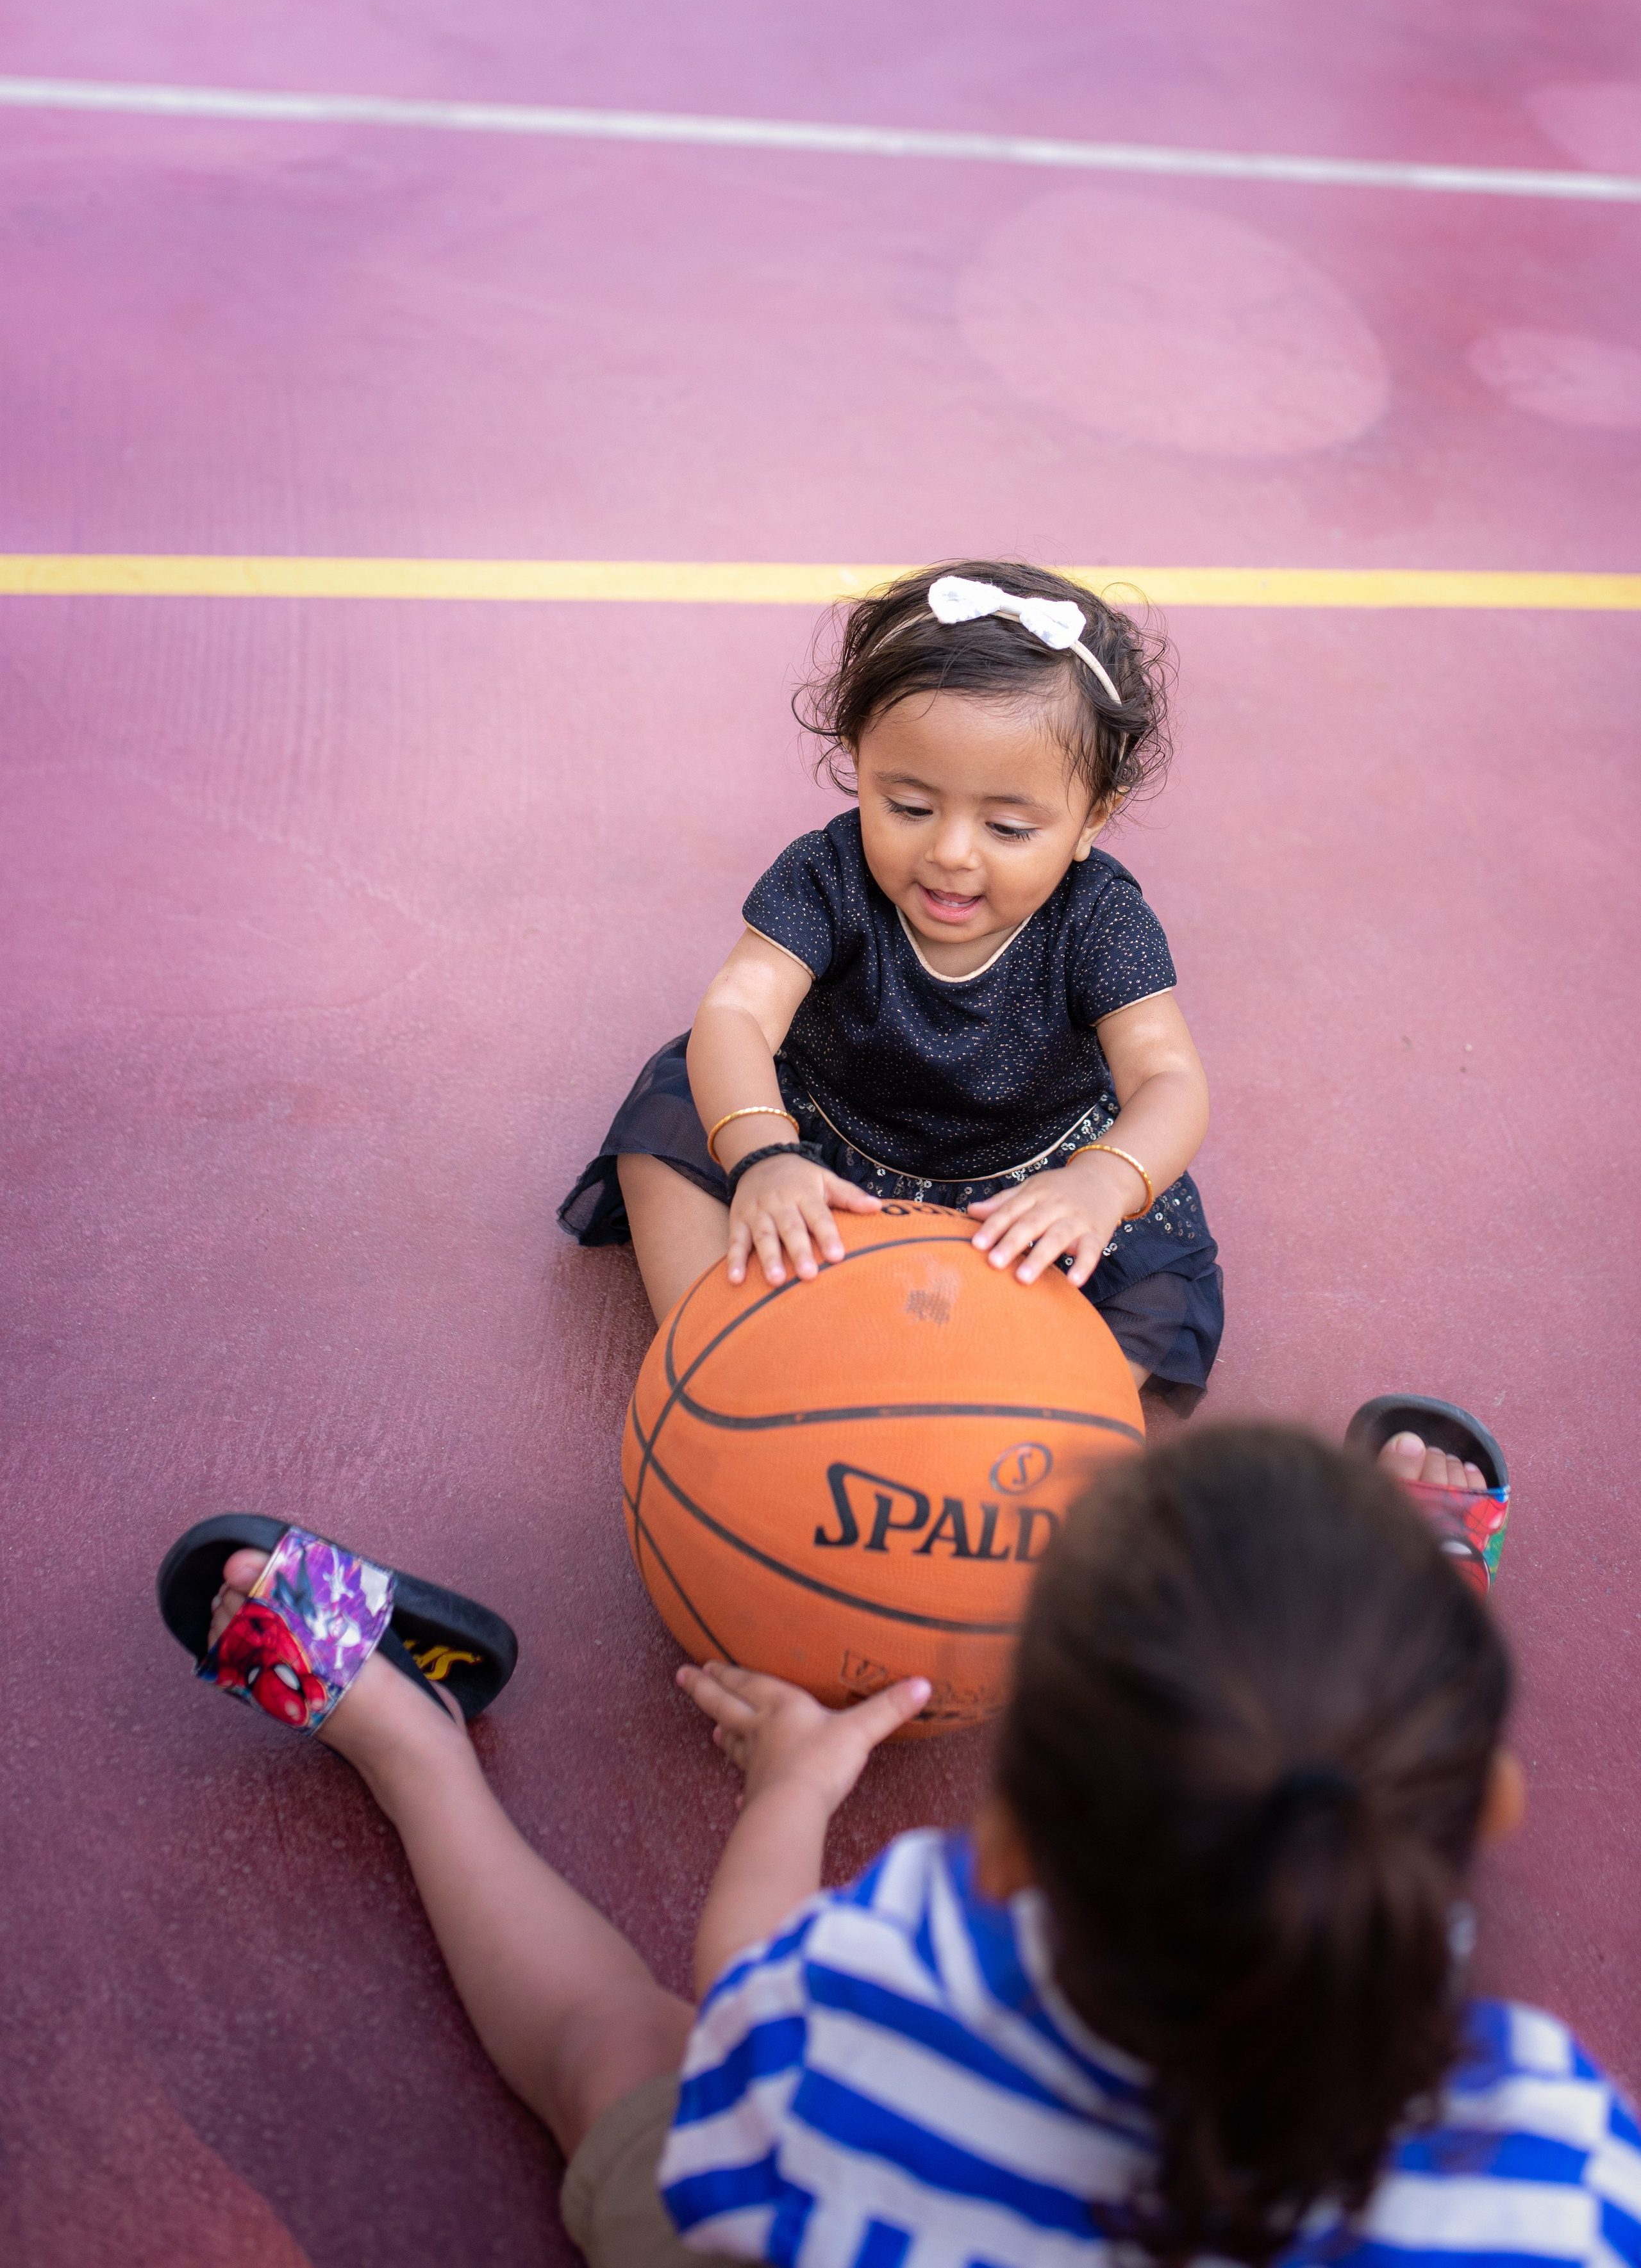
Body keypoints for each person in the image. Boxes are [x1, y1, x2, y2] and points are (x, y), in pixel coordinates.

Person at [167, 1422, 1627, 2268]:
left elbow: (744, 1975)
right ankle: (1395, 1613)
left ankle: (407, 1744)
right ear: (1486, 1804)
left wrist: (792, 1789)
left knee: (612, 2053)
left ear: (999, 1845)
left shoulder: (884, 1993)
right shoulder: (1564, 2175)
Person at [558, 562, 1221, 1419]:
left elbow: (1169, 1078)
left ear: (1094, 815)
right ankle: (726, 1360)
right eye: (907, 805)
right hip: (824, 1149)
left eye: (1009, 827)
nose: (950, 851)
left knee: (1151, 1276)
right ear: (857, 760)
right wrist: (763, 1153)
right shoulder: (827, 873)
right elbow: (735, 1009)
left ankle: (1024, 1407)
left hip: (1023, 1191)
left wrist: (1100, 1183)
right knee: (677, 1119)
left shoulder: (1099, 920)